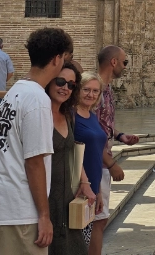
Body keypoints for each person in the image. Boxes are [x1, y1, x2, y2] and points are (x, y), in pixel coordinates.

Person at [0, 27, 74, 255]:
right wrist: (44, 215)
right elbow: (34, 161)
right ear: (57, 58)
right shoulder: (37, 99)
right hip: (18, 210)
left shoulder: (16, 91)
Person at [90, 45, 140, 253]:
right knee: (97, 220)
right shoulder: (95, 90)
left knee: (99, 219)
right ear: (113, 62)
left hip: (103, 158)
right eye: (124, 62)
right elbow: (88, 133)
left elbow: (103, 124)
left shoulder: (107, 88)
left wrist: (119, 136)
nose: (125, 66)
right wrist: (110, 164)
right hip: (96, 162)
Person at [45, 61, 97, 255]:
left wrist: (84, 182)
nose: (65, 88)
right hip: (45, 199)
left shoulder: (67, 114)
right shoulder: (39, 114)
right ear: (49, 81)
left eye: (71, 84)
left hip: (67, 195)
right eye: (60, 81)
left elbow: (71, 150)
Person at [74, 72, 110, 252]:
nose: (91, 94)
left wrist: (100, 191)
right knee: (78, 242)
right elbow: (71, 153)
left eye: (96, 91)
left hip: (92, 187)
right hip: (78, 186)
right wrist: (85, 182)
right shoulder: (71, 116)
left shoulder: (92, 115)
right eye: (86, 89)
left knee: (86, 239)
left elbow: (96, 155)